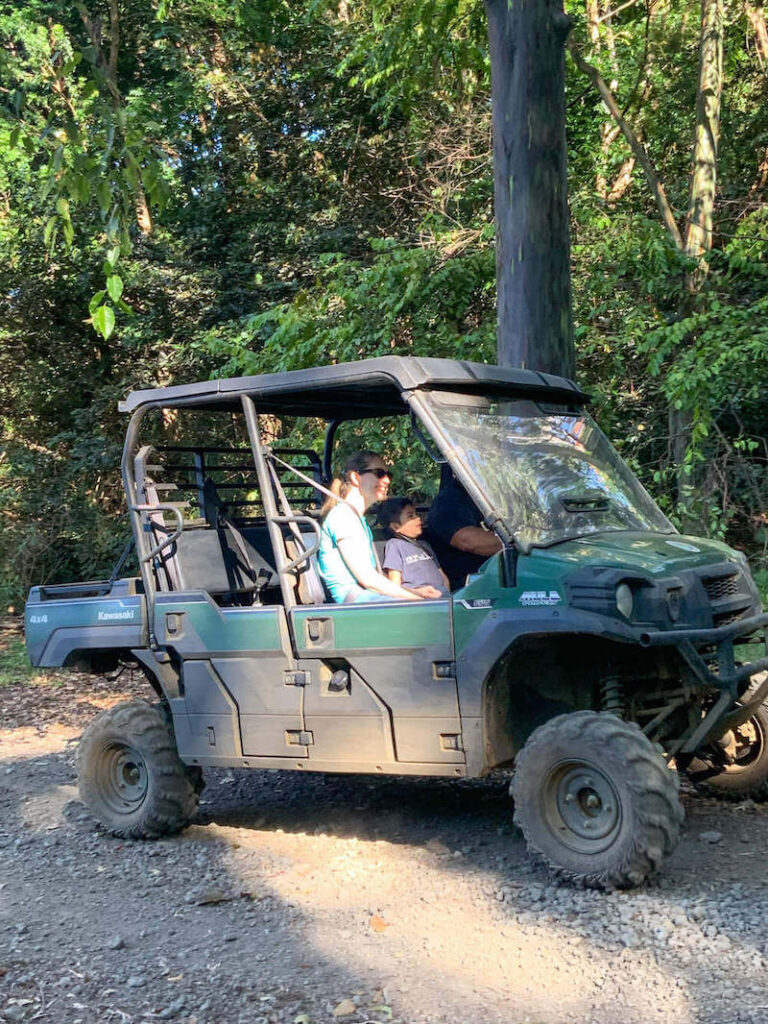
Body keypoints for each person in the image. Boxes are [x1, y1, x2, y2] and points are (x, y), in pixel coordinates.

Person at [317, 451, 438, 603]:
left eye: (389, 475)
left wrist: (414, 592)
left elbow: (375, 581)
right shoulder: (343, 516)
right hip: (354, 604)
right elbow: (367, 579)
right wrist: (416, 599)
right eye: (379, 473)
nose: (387, 480)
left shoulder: (357, 519)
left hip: (368, 597)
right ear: (355, 477)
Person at [426, 464, 502, 591]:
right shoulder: (449, 500)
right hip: (465, 588)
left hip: (493, 576)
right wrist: (519, 543)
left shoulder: (487, 497)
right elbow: (468, 541)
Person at [376, 497, 449, 597]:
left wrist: (448, 596)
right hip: (419, 598)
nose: (418, 518)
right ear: (396, 527)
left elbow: (442, 575)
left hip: (443, 597)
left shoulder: (424, 545)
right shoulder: (395, 545)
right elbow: (395, 584)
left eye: (416, 514)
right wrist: (418, 593)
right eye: (410, 516)